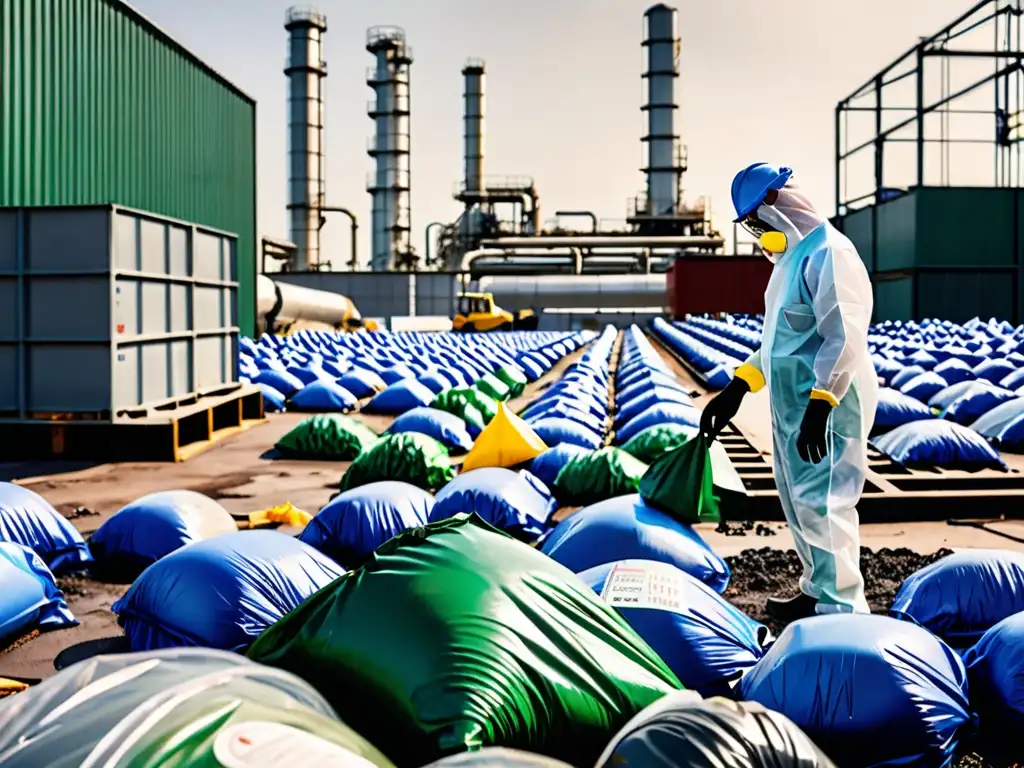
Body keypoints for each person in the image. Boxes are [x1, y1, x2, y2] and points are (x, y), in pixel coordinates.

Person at [700, 163, 877, 621]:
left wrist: (823, 402)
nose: (757, 234)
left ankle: (841, 609)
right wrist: (739, 386)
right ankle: (817, 589)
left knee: (825, 505)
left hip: (830, 407)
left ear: (778, 204)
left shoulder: (830, 254)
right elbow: (779, 343)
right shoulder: (789, 263)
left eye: (756, 222)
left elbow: (844, 336)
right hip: (797, 406)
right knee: (798, 502)